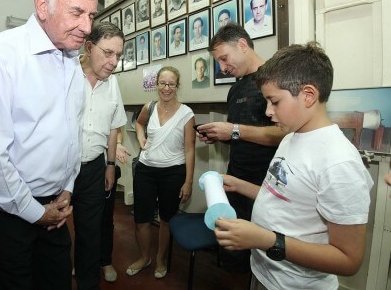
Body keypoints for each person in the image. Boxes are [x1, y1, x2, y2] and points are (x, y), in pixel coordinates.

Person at [0, 0, 98, 290]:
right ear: (42, 5)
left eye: (91, 15)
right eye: (77, 12)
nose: (87, 26)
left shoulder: (72, 66)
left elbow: (71, 133)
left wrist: (67, 189)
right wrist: (34, 211)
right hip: (2, 213)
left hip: (55, 209)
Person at [214, 42, 373, 290]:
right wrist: (239, 185)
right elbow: (283, 197)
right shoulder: (290, 137)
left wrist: (266, 240)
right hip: (264, 273)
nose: (268, 111)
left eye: (274, 102)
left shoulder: (339, 162)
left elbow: (349, 260)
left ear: (308, 95)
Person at [197, 23, 286, 289]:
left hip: (267, 183)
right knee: (235, 252)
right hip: (237, 179)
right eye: (218, 62)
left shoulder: (275, 80)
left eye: (224, 58)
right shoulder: (235, 89)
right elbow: (240, 137)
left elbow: (283, 134)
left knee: (266, 251)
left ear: (243, 45)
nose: (222, 68)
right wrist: (221, 135)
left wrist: (233, 130)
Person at [126, 66, 195, 279]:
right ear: (156, 85)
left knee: (166, 218)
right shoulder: (150, 107)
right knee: (141, 219)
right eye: (162, 83)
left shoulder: (186, 114)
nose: (166, 88)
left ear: (177, 86)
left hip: (173, 173)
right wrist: (140, 138)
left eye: (171, 84)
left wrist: (188, 182)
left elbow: (190, 149)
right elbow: (138, 123)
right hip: (146, 171)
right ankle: (144, 256)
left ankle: (160, 258)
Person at [73, 22, 127, 289]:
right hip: (62, 166)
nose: (113, 61)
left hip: (95, 167)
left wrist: (109, 164)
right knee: (53, 227)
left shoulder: (112, 83)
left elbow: (114, 127)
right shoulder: (67, 75)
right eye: (107, 53)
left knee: (90, 230)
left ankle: (87, 282)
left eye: (118, 55)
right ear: (89, 46)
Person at [100, 128, 131, 282]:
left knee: (105, 219)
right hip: (81, 169)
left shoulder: (110, 102)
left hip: (106, 168)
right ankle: (83, 259)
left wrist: (118, 143)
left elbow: (117, 130)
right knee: (83, 220)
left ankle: (105, 261)